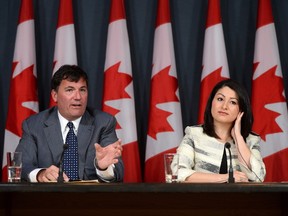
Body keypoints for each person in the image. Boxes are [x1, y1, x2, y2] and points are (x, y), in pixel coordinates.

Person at [16, 65, 124, 182]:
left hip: (90, 198)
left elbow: (118, 171)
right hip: (48, 198)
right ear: (55, 95)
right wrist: (41, 174)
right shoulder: (33, 125)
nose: (78, 97)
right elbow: (21, 165)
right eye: (69, 90)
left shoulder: (104, 123)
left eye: (82, 90)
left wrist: (103, 168)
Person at [174, 79, 266, 183]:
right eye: (220, 99)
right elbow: (177, 173)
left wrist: (238, 137)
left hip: (240, 199)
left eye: (233, 102)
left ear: (241, 110)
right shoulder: (194, 134)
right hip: (201, 198)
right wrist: (226, 177)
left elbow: (258, 177)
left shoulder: (251, 140)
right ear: (211, 102)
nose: (224, 106)